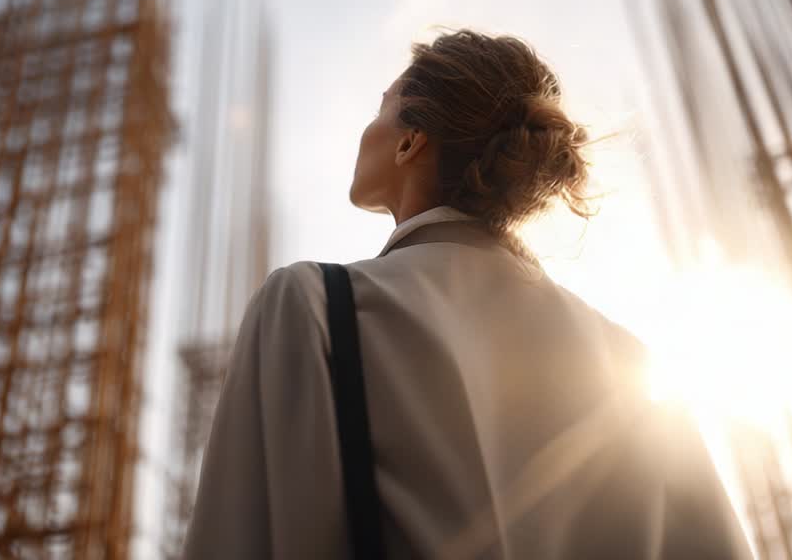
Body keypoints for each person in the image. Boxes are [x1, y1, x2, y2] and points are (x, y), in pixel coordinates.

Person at [181, 29, 753, 559]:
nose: (368, 127)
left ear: (410, 143)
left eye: (382, 107)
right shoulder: (634, 367)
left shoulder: (313, 308)